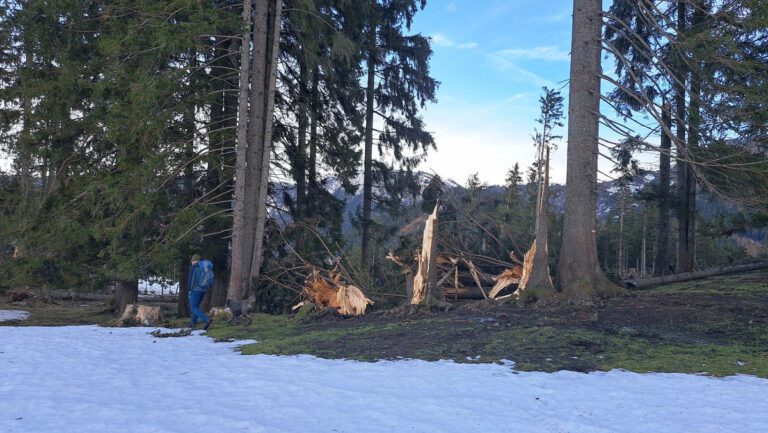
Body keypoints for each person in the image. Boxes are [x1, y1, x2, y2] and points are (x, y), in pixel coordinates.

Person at [188, 253, 214, 330]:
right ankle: (193, 323)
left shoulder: (194, 267)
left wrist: (190, 289)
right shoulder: (205, 267)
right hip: (204, 289)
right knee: (196, 307)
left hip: (195, 290)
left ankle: (206, 319)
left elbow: (191, 280)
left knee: (193, 307)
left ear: (193, 260)